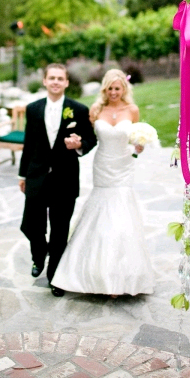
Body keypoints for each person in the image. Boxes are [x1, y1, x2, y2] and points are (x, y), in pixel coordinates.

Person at [51, 69, 155, 297]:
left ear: (124, 89)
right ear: (105, 90)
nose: (114, 92)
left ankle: (121, 278)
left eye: (118, 88)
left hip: (123, 166)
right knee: (101, 208)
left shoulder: (132, 110)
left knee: (122, 214)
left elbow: (134, 140)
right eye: (110, 88)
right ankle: (94, 275)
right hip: (103, 166)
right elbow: (89, 138)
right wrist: (77, 140)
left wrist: (138, 147)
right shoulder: (96, 110)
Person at [19, 63, 97, 297]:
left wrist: (79, 144)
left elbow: (90, 140)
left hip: (64, 179)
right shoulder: (32, 109)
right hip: (36, 176)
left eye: (59, 78)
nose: (55, 82)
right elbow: (29, 144)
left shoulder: (79, 110)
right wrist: (22, 175)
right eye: (51, 77)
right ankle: (38, 255)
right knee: (31, 224)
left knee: (60, 230)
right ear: (44, 81)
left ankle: (55, 277)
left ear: (66, 82)